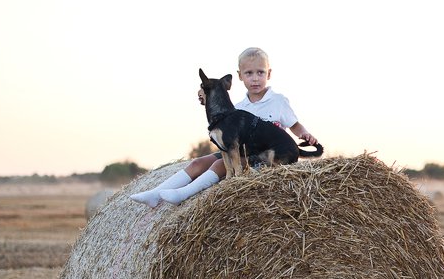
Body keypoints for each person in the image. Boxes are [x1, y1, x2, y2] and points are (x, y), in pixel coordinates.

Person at [131, 48, 318, 207]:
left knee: (220, 164)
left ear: (269, 74)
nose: (255, 79)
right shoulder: (238, 107)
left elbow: (294, 125)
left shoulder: (278, 101)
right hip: (240, 149)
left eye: (260, 73)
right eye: (249, 73)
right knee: (198, 163)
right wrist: (206, 98)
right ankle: (155, 194)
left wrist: (305, 134)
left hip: (264, 152)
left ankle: (182, 194)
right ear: (240, 76)